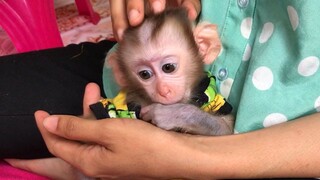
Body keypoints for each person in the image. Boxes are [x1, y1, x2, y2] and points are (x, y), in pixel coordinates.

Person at [6, 0, 320, 179]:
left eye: (169, 69)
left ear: (204, 47)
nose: (160, 88)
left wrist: (190, 158)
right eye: (145, 74)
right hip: (126, 73)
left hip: (284, 153)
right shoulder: (129, 75)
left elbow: (220, 131)